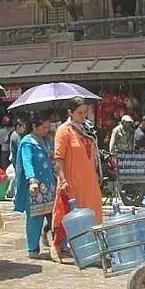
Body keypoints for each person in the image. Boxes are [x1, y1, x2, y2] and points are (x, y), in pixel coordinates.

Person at [51, 97, 103, 263]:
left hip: (89, 181)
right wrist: (62, 179)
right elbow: (59, 158)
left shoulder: (87, 129)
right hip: (72, 181)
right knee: (65, 215)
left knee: (93, 214)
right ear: (70, 113)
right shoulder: (64, 131)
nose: (83, 116)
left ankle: (90, 249)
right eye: (79, 113)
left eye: (85, 112)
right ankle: (56, 245)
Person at [14, 113, 56, 259]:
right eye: (43, 127)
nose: (46, 130)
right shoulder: (28, 142)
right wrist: (32, 180)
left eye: (47, 127)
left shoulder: (49, 140)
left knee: (54, 216)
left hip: (50, 185)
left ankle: (58, 245)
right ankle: (32, 248)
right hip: (36, 186)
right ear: (34, 127)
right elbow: (27, 162)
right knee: (35, 218)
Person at [6, 117, 29, 200]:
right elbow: (21, 148)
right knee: (19, 179)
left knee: (18, 178)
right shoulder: (15, 136)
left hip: (18, 161)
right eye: (23, 126)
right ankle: (17, 196)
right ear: (18, 126)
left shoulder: (17, 135)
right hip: (18, 161)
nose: (24, 128)